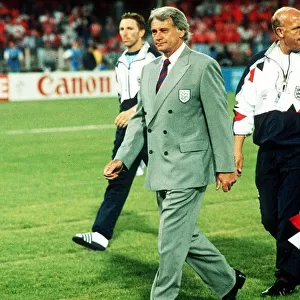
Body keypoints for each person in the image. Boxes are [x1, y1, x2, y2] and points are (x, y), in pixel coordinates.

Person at [104, 6, 246, 300]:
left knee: (169, 241)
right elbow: (141, 119)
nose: (157, 37)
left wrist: (226, 166)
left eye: (163, 30)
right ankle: (228, 282)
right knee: (184, 235)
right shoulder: (149, 70)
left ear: (181, 30)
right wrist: (123, 157)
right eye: (154, 31)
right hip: (160, 169)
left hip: (189, 167)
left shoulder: (203, 66)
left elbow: (219, 121)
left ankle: (162, 296)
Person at [72, 12, 160, 251]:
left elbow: (160, 93)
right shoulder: (120, 61)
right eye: (122, 29)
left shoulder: (154, 58)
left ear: (142, 32)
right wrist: (127, 111)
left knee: (165, 183)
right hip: (127, 129)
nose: (125, 33)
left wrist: (133, 111)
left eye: (130, 28)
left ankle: (181, 232)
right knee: (117, 178)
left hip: (152, 127)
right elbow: (124, 96)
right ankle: (100, 234)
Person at [233, 6, 300, 297]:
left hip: (298, 152)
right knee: (271, 219)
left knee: (289, 215)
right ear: (280, 32)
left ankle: (287, 277)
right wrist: (237, 150)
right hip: (268, 154)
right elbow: (242, 109)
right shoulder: (258, 66)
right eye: (297, 28)